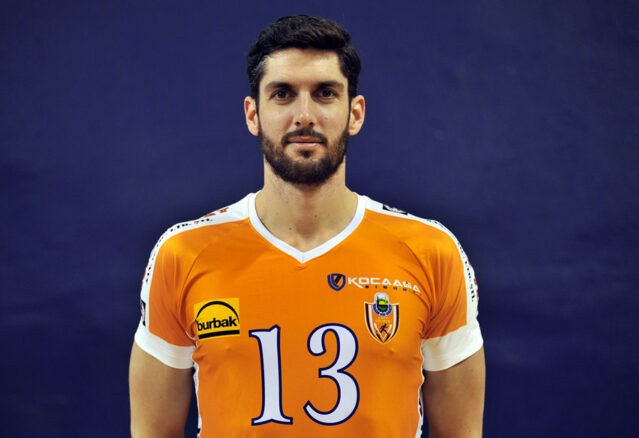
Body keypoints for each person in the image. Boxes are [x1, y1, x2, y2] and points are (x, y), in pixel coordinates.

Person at [129, 15, 485, 437]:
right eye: (282, 94)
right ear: (253, 114)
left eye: (325, 93)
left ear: (355, 113)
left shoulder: (432, 252)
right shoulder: (183, 253)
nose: (304, 115)